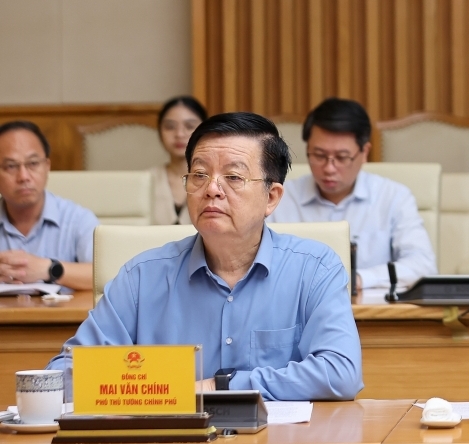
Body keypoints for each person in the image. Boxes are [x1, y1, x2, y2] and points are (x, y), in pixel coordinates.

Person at [47, 112, 363, 401]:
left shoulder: (313, 269)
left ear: (271, 197)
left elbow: (341, 372)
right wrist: (159, 388)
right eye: (199, 174)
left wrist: (221, 386)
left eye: (233, 177)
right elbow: (65, 376)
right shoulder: (141, 277)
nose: (212, 189)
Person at [268, 98, 437, 289]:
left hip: (368, 305)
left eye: (342, 157)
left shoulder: (393, 197)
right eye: (319, 155)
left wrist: (359, 279)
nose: (329, 168)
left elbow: (423, 265)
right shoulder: (278, 197)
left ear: (364, 152)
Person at [0, 121, 98, 291]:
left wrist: (49, 269)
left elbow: (107, 275)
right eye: (11, 166)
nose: (23, 176)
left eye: (33, 163)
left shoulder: (78, 219)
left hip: (65, 309)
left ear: (47, 167)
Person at [151, 96, 208, 225]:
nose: (179, 134)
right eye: (170, 127)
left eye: (189, 126)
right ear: (159, 132)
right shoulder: (144, 181)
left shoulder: (217, 180)